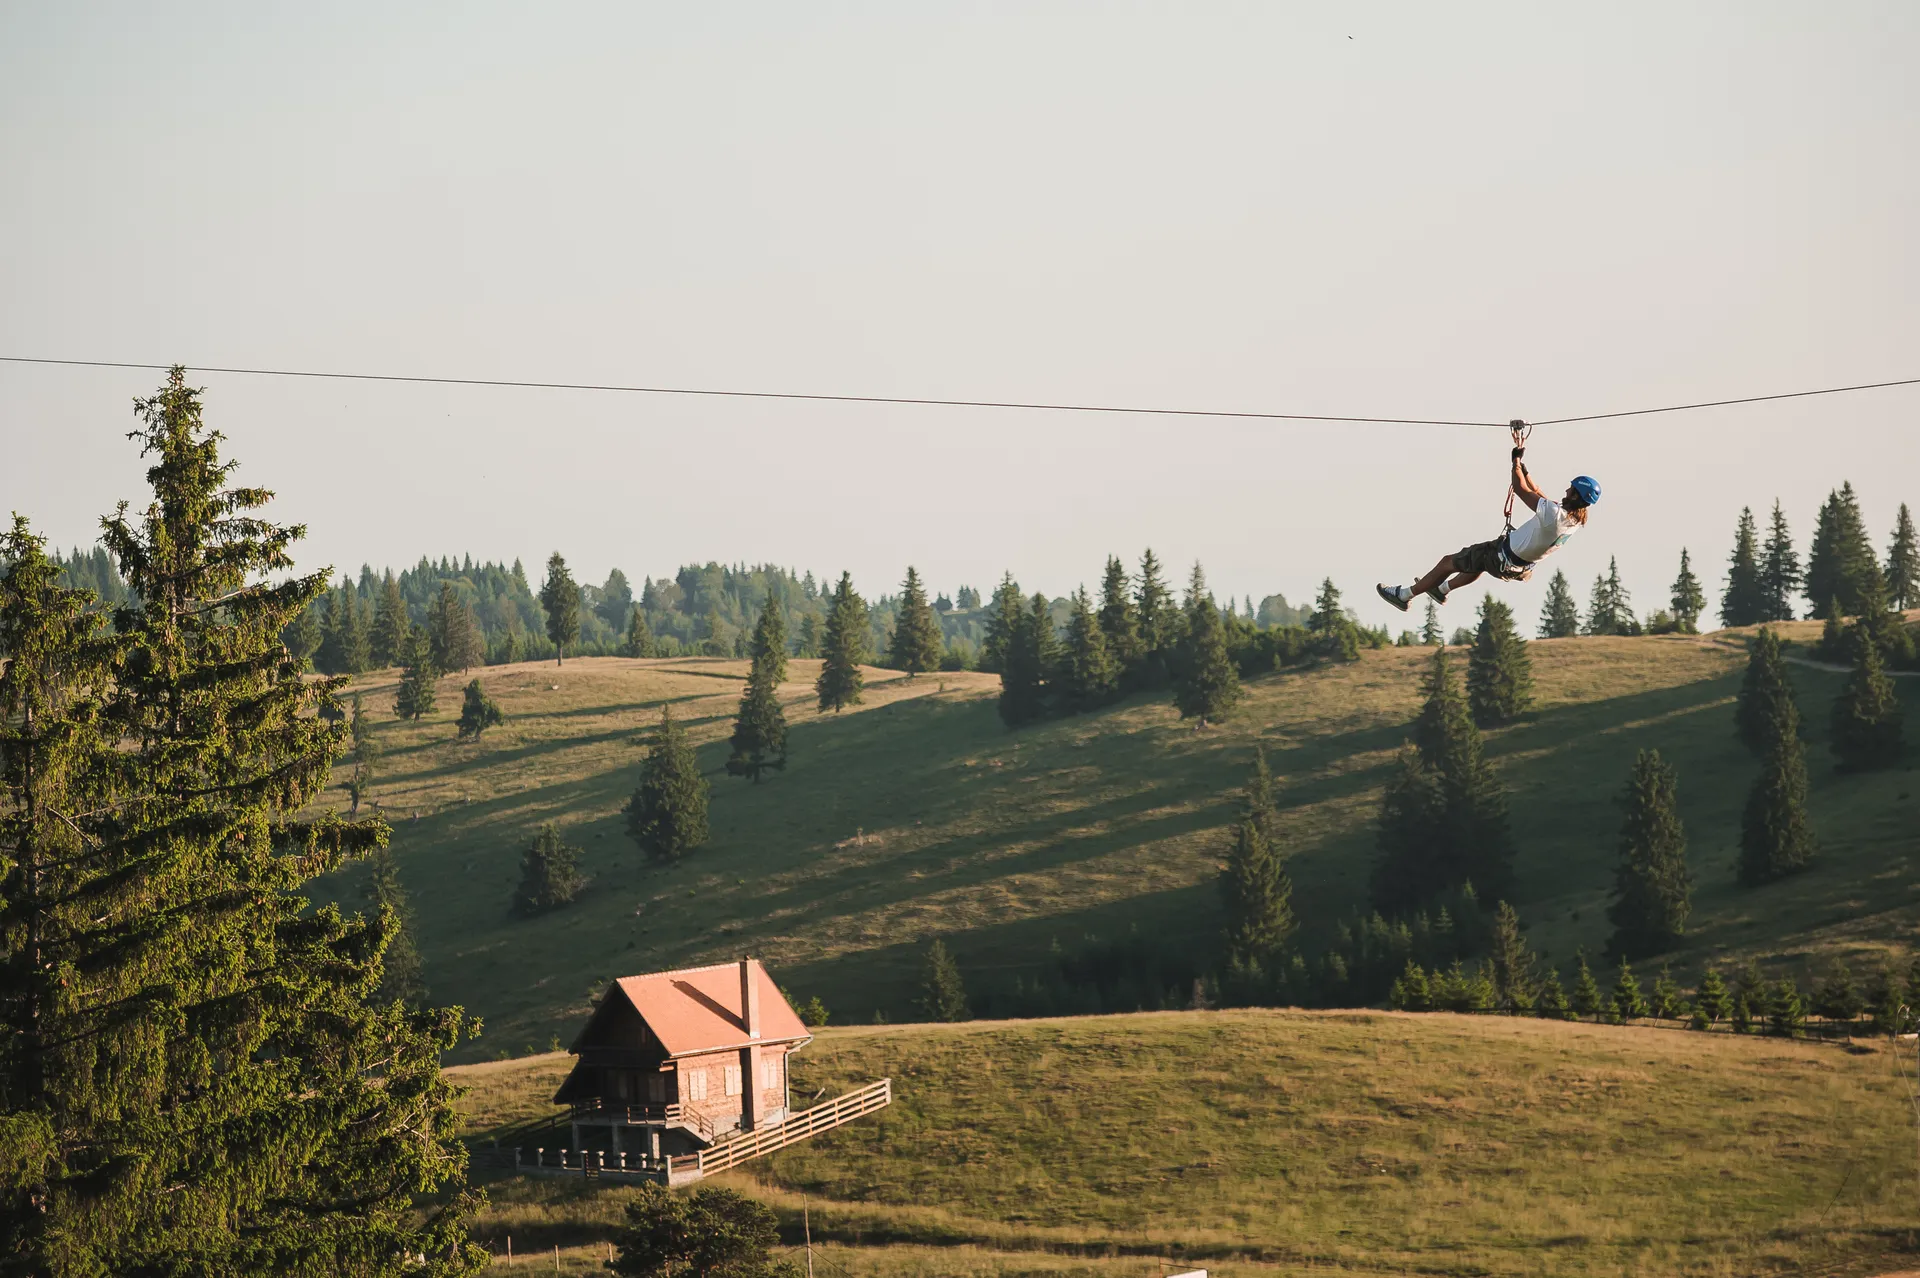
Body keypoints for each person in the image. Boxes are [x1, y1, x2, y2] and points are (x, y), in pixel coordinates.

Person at [1377, 443, 1600, 611]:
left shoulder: (1554, 515)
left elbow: (1520, 489)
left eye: (1570, 489)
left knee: (1448, 562)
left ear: (1575, 496)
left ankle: (1404, 596)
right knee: (1478, 564)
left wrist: (1514, 462)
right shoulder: (1573, 521)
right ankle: (1442, 590)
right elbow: (1539, 493)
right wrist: (1525, 471)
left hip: (1501, 556)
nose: (1566, 491)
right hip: (1515, 567)